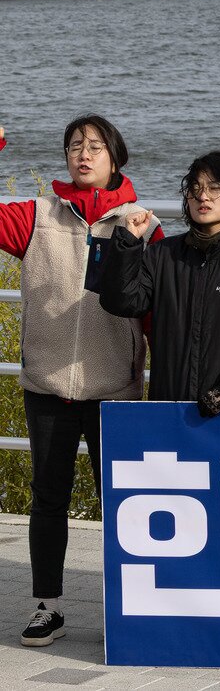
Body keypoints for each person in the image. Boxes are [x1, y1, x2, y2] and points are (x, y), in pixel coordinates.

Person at [0, 117, 162, 647]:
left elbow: (157, 312)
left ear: (116, 157)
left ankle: (128, 605)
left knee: (121, 500)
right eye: (75, 147)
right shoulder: (37, 216)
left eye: (95, 147)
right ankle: (48, 606)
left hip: (115, 387)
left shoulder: (141, 224)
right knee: (48, 499)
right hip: (47, 383)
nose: (83, 156)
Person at [99, 152, 220, 411]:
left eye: (215, 188)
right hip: (171, 406)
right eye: (195, 188)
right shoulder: (162, 254)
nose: (203, 196)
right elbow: (121, 301)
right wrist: (128, 244)